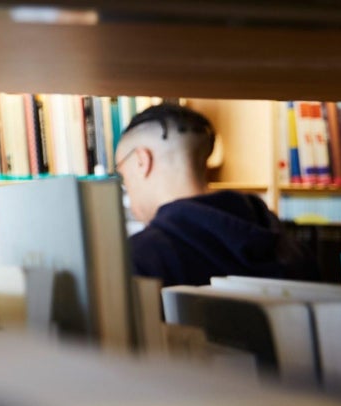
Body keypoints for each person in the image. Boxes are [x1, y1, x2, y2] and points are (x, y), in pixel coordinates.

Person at [114, 103, 319, 287]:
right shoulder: (293, 248)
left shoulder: (139, 259)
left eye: (123, 175)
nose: (127, 190)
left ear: (142, 161)